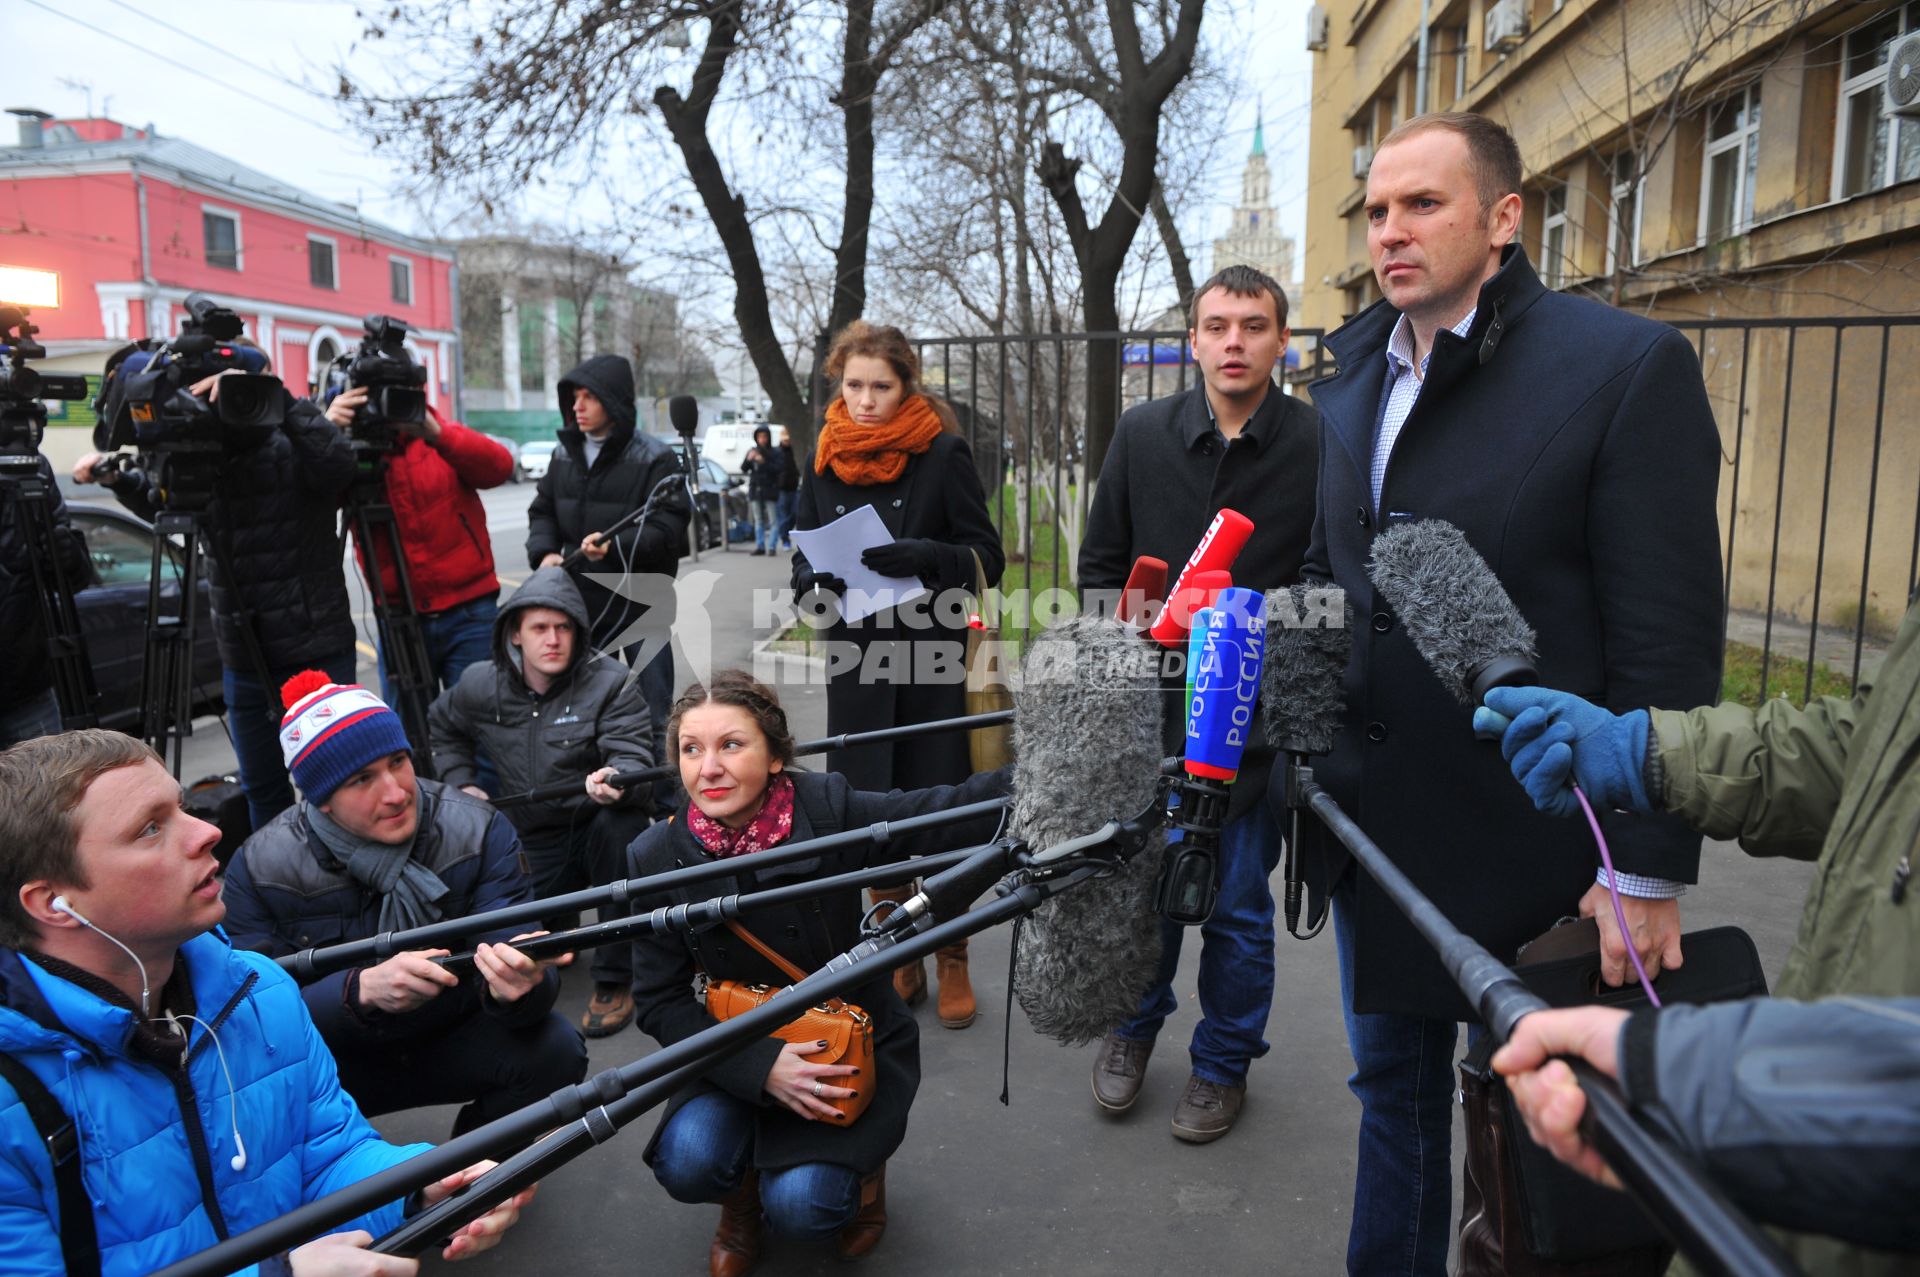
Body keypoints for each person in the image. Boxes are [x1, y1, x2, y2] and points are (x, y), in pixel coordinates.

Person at [1288, 111, 1724, 1276]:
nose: (1392, 231)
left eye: (1423, 204)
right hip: (1375, 830)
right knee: (1392, 1096)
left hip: (1540, 848)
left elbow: (1669, 637)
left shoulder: (1622, 367)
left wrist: (1640, 867)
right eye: (1377, 210)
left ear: (1502, 217)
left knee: (1548, 1146)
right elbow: (1339, 573)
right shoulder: (1342, 375)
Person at [1474, 586, 1920, 1274]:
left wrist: (1693, 1076)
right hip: (1790, 1189)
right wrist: (1648, 753)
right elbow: (1867, 743)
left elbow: (1665, 617)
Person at [0, 728, 534, 1275]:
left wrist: (421, 1183)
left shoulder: (256, 988)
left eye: (182, 807)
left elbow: (328, 1156)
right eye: (151, 828)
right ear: (54, 904)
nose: (208, 831)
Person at [627, 671, 1009, 1277]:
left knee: (806, 1209)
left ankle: (865, 1181)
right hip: (734, 1044)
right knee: (688, 1162)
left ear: (776, 755)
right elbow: (657, 1003)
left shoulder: (826, 809)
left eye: (731, 744)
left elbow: (933, 814)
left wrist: (1042, 776)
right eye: (691, 750)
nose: (709, 768)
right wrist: (759, 1067)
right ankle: (741, 1208)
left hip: (843, 1041)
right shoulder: (655, 856)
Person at [1075, 263, 1318, 1144]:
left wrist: (1256, 629)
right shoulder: (1143, 434)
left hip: (1253, 727)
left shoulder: (1315, 443)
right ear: (1193, 340)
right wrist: (1142, 633)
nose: (1234, 342)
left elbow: (1330, 580)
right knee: (1143, 888)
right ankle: (1133, 1029)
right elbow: (1100, 569)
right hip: (1152, 713)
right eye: (1217, 325)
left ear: (1281, 339)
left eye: (1254, 326)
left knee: (1240, 905)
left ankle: (1222, 1062)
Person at [222, 672, 587, 1138]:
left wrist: (520, 985)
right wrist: (357, 992)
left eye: (398, 761)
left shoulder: (477, 829)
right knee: (249, 1100)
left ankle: (476, 1169)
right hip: (335, 1057)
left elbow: (522, 965)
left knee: (557, 1049)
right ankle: (336, 1183)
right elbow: (249, 1017)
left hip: (453, 1033)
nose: (396, 792)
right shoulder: (259, 867)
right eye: (362, 779)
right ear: (321, 798)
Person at [789, 320, 1005, 1029]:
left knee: (938, 808)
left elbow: (986, 556)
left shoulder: (943, 453)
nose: (866, 400)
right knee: (871, 814)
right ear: (837, 383)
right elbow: (799, 558)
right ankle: (895, 948)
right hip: (856, 660)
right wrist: (812, 583)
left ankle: (952, 954)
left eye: (881, 386)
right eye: (853, 385)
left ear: (906, 384)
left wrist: (927, 555)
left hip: (931, 658)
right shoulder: (821, 458)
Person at [77, 350, 359, 830]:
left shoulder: (290, 444)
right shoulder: (200, 456)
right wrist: (120, 480)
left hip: (313, 645)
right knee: (263, 789)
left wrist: (282, 401)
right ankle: (281, 881)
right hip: (243, 655)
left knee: (343, 778)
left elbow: (339, 467)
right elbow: (170, 508)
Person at [429, 567, 654, 1037]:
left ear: (578, 632)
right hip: (529, 836)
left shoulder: (611, 681)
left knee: (625, 825)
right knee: (517, 944)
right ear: (515, 633)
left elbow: (632, 752)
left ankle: (616, 976)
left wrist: (618, 779)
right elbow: (442, 726)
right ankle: (558, 914)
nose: (552, 639)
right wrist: (462, 783)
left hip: (594, 823)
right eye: (539, 628)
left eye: (564, 627)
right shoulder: (478, 683)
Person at [527, 354, 690, 822]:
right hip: (581, 608)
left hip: (642, 609)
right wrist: (544, 555)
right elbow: (542, 512)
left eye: (589, 397)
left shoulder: (655, 457)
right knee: (582, 706)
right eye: (573, 397)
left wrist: (614, 549)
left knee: (656, 711)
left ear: (614, 403)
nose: (578, 407)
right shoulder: (563, 454)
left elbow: (669, 529)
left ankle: (664, 809)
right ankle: (593, 795)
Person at [320, 385, 515, 727]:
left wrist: (437, 433)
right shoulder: (348, 450)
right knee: (410, 733)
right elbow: (309, 504)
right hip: (398, 616)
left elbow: (499, 467)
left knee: (484, 727)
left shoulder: (437, 436)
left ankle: (479, 785)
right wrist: (326, 435)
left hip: (469, 609)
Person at [0, 453, 91, 748]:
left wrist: (69, 555)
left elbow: (76, 578)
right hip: (28, 683)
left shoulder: (28, 462)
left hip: (28, 685)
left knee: (49, 791)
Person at [740, 425, 785, 556]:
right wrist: (749, 459)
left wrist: (763, 462)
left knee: (773, 520)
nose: (762, 439)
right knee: (758, 520)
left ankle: (772, 546)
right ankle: (760, 546)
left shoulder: (775, 452)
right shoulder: (753, 451)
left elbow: (779, 469)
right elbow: (743, 468)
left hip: (770, 490)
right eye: (759, 436)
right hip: (756, 489)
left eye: (764, 436)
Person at [774, 427, 800, 550]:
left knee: (794, 514)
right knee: (783, 516)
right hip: (782, 489)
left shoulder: (791, 451)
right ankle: (785, 539)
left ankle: (786, 534)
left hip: (793, 488)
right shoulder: (778, 452)